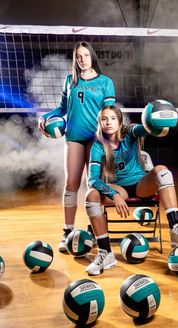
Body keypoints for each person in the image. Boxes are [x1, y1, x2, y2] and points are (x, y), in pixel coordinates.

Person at [84, 105, 178, 276]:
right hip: (119, 188)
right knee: (90, 195)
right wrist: (114, 195)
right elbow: (93, 179)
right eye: (104, 119)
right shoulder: (98, 145)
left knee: (162, 170)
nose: (108, 122)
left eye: (113, 118)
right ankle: (105, 253)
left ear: (120, 121)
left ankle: (176, 228)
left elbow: (146, 127)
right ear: (99, 122)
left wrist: (157, 115)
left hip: (140, 185)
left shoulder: (130, 133)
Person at [38, 42, 116, 252]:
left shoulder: (105, 82)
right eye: (78, 57)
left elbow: (109, 112)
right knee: (71, 184)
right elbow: (63, 108)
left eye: (85, 56)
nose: (82, 60)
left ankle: (93, 229)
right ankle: (67, 232)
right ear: (75, 60)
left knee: (94, 185)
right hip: (73, 137)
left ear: (92, 57)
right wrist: (46, 116)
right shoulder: (69, 81)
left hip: (96, 139)